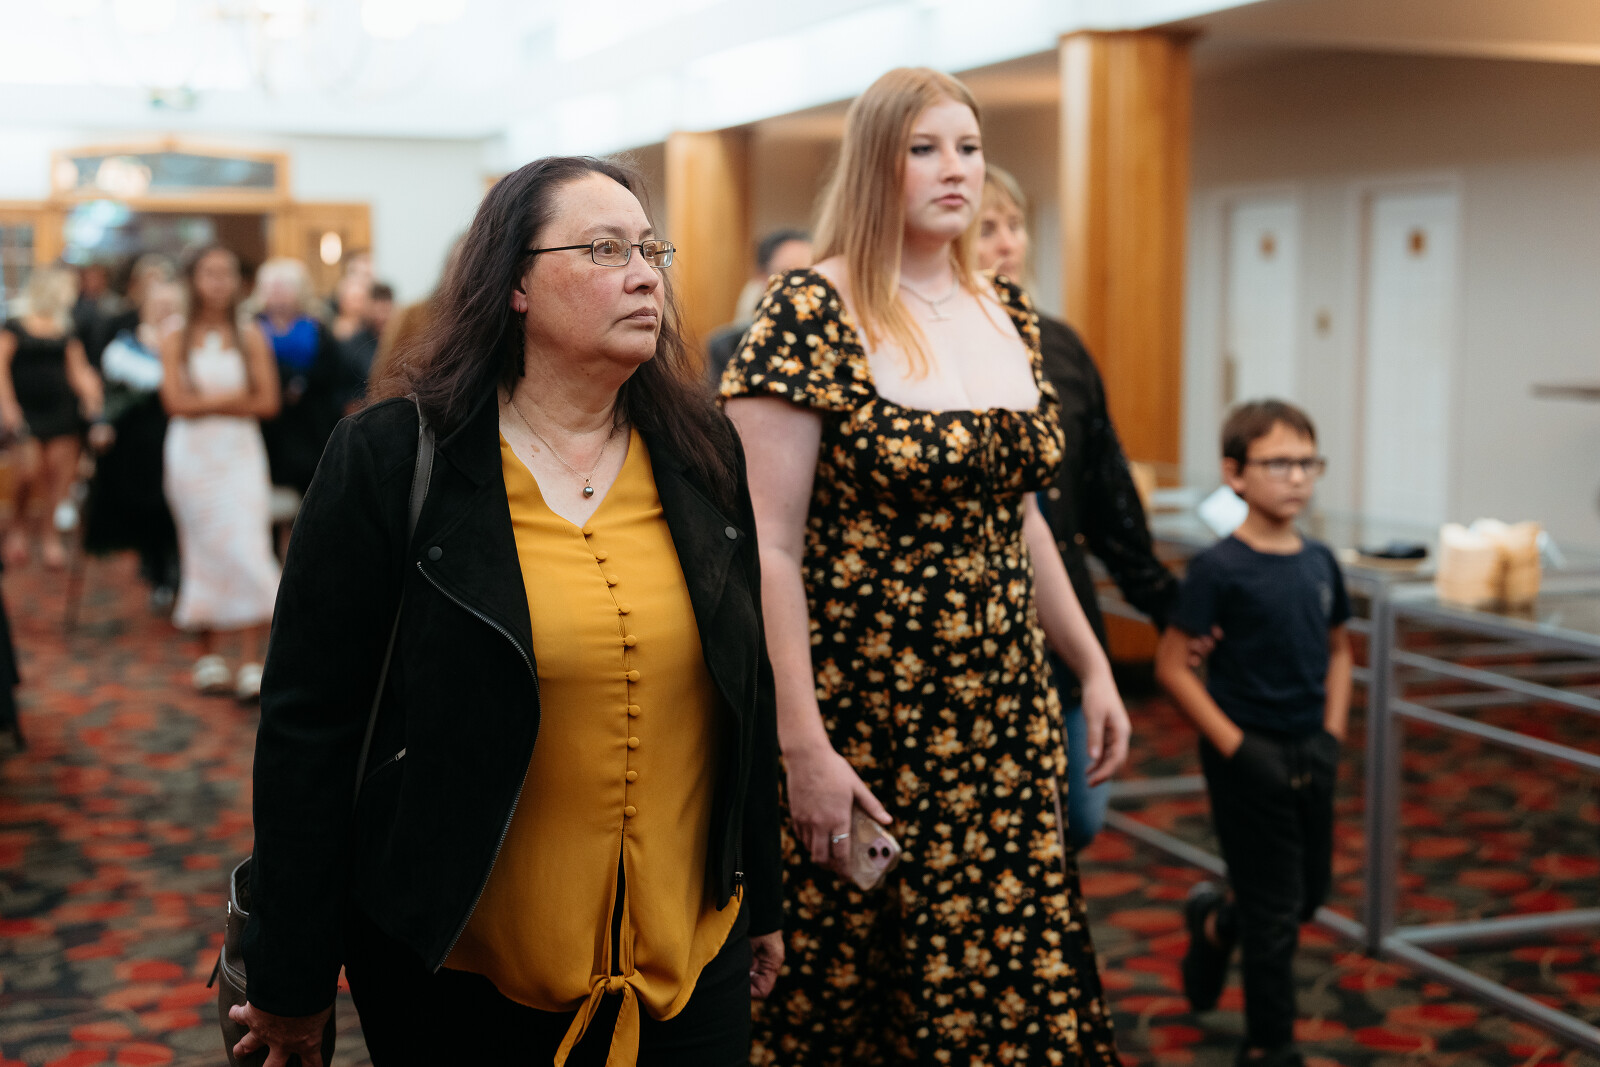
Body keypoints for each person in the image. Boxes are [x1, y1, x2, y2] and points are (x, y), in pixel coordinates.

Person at [233, 155, 785, 1067]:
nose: (645, 275)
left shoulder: (701, 451)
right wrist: (289, 973)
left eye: (650, 250)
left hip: (690, 968)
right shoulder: (392, 458)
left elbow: (744, 688)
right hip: (461, 977)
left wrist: (758, 890)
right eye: (604, 249)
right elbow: (309, 729)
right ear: (514, 284)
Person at [721, 67, 1127, 1065]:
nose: (956, 170)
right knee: (848, 991)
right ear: (875, 164)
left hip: (1004, 714)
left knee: (1005, 977)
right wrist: (802, 746)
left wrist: (1091, 665)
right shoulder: (810, 309)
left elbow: (1021, 518)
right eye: (924, 148)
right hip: (870, 714)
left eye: (969, 148)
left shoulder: (1008, 311)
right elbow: (766, 544)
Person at [973, 164, 1180, 848]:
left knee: (1081, 817)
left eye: (1015, 225)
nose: (1008, 243)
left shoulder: (1057, 343)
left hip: (1064, 608)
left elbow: (1105, 491)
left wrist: (1163, 601)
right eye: (987, 228)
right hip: (974, 625)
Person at [1154, 400, 1352, 1067]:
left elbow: (1341, 651)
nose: (1296, 477)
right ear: (1235, 474)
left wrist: (1332, 733)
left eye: (1307, 462)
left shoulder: (1320, 561)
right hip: (1245, 754)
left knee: (1306, 898)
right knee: (1273, 914)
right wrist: (1237, 746)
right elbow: (1171, 667)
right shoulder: (1219, 568)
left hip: (1310, 748)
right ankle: (1271, 1043)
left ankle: (1215, 924)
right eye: (1277, 463)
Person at [160, 246, 282, 700]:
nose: (219, 282)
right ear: (193, 279)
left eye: (227, 273)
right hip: (192, 457)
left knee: (248, 546)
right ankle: (208, 654)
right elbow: (175, 403)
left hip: (239, 454)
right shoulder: (175, 334)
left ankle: (251, 659)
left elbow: (267, 402)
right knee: (203, 548)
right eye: (209, 273)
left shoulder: (250, 334)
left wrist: (205, 403)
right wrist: (234, 400)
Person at [85, 278, 184, 607]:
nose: (164, 310)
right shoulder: (126, 345)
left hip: (181, 434)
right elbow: (111, 394)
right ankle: (158, 571)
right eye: (159, 304)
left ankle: (179, 568)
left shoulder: (188, 339)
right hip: (140, 440)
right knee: (150, 504)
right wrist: (102, 423)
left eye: (171, 304)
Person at [0, 267, 104, 570]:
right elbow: (1, 368)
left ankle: (49, 536)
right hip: (27, 411)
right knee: (27, 472)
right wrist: (8, 407)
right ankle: (17, 528)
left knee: (58, 478)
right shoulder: (15, 325)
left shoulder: (65, 329)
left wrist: (93, 400)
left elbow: (78, 370)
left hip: (61, 412)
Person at [251, 257, 340, 497]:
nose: (278, 294)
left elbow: (330, 368)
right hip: (269, 420)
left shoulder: (316, 325)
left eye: (284, 287)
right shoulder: (252, 326)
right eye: (273, 287)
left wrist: (300, 383)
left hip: (310, 420)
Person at [703, 230, 812, 387]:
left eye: (811, 274)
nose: (802, 285)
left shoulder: (831, 344)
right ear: (761, 276)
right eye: (789, 274)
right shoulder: (728, 347)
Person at [328, 272, 378, 414]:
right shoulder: (331, 335)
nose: (358, 305)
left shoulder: (373, 335)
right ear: (341, 301)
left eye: (362, 299)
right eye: (354, 299)